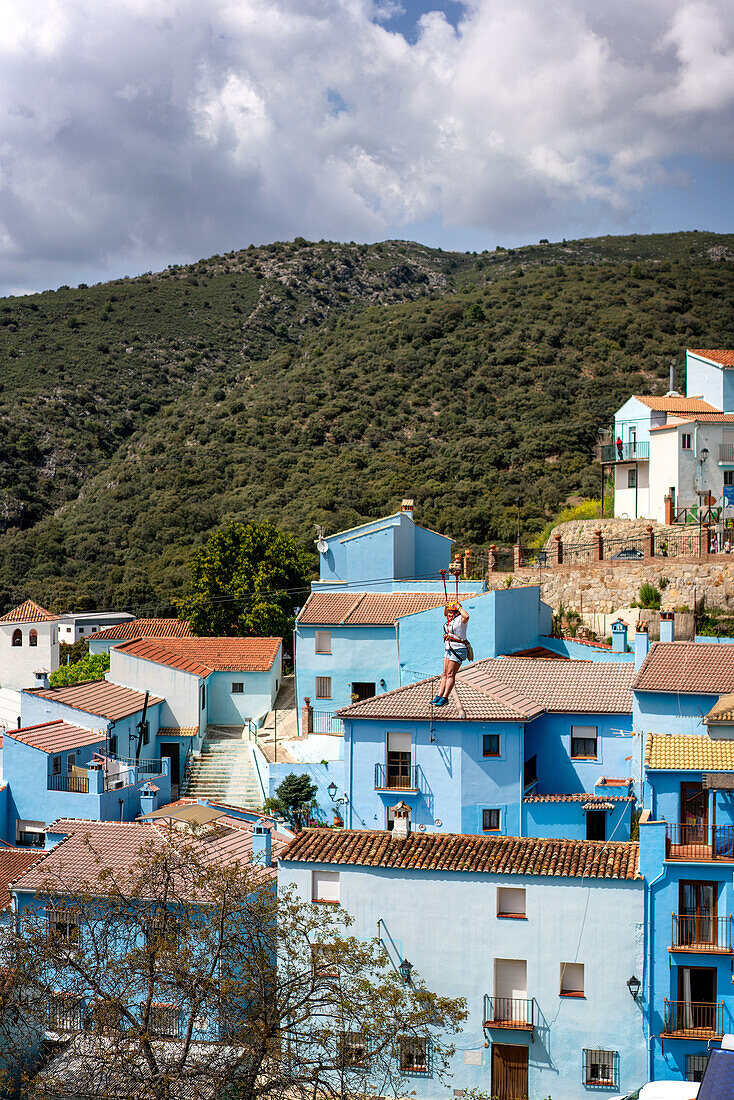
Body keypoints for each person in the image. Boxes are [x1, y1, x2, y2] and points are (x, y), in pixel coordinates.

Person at [432, 600, 470, 707]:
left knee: (450, 674)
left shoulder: (460, 621)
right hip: (449, 649)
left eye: (451, 612)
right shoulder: (449, 621)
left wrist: (459, 607)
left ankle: (445, 697)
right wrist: (446, 606)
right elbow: (446, 613)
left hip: (458, 649)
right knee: (444, 674)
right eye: (448, 613)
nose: (448, 615)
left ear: (456, 613)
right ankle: (439, 695)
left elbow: (466, 616)